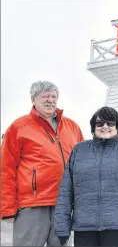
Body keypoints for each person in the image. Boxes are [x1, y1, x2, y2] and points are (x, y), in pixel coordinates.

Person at [0, 80, 84, 246]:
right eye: (45, 96)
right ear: (33, 100)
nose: (50, 100)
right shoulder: (18, 127)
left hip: (64, 203)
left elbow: (83, 164)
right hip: (32, 205)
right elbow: (6, 169)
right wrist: (7, 208)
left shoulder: (72, 127)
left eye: (54, 96)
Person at [54, 106, 118, 247]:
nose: (105, 126)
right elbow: (66, 192)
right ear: (94, 126)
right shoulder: (79, 150)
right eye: (100, 123)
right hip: (84, 229)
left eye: (110, 123)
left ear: (117, 126)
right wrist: (62, 230)